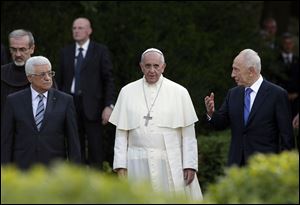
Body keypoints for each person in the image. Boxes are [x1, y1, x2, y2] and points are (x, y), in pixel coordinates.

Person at [109, 48, 202, 200]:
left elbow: (189, 135)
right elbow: (121, 134)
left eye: (156, 66)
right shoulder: (127, 92)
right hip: (137, 162)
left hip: (170, 161)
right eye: (148, 66)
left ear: (163, 67)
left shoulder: (180, 92)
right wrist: (120, 166)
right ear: (141, 66)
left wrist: (190, 164)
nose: (152, 70)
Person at [204, 49, 295, 167]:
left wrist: (286, 168)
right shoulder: (233, 94)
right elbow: (221, 123)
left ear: (251, 71)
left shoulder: (277, 94)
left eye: (236, 69)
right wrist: (211, 113)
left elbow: (286, 136)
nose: (232, 74)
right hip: (236, 166)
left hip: (266, 167)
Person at [1, 56, 81, 170]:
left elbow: (73, 141)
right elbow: (6, 140)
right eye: (42, 74)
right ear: (30, 78)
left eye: (50, 73)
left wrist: (75, 172)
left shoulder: (65, 100)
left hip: (55, 170)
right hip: (22, 169)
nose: (48, 78)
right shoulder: (13, 101)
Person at [56, 17, 115, 169]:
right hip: (70, 104)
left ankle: (96, 184)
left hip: (93, 106)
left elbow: (108, 79)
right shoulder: (65, 52)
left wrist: (109, 105)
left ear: (89, 31)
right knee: (75, 145)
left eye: (80, 28)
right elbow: (59, 81)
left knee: (96, 147)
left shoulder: (100, 51)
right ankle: (78, 181)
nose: (76, 31)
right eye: (74, 28)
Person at [1, 29, 35, 124]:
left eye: (22, 49)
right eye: (13, 49)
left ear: (32, 49)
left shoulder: (42, 73)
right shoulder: (2, 74)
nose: (17, 54)